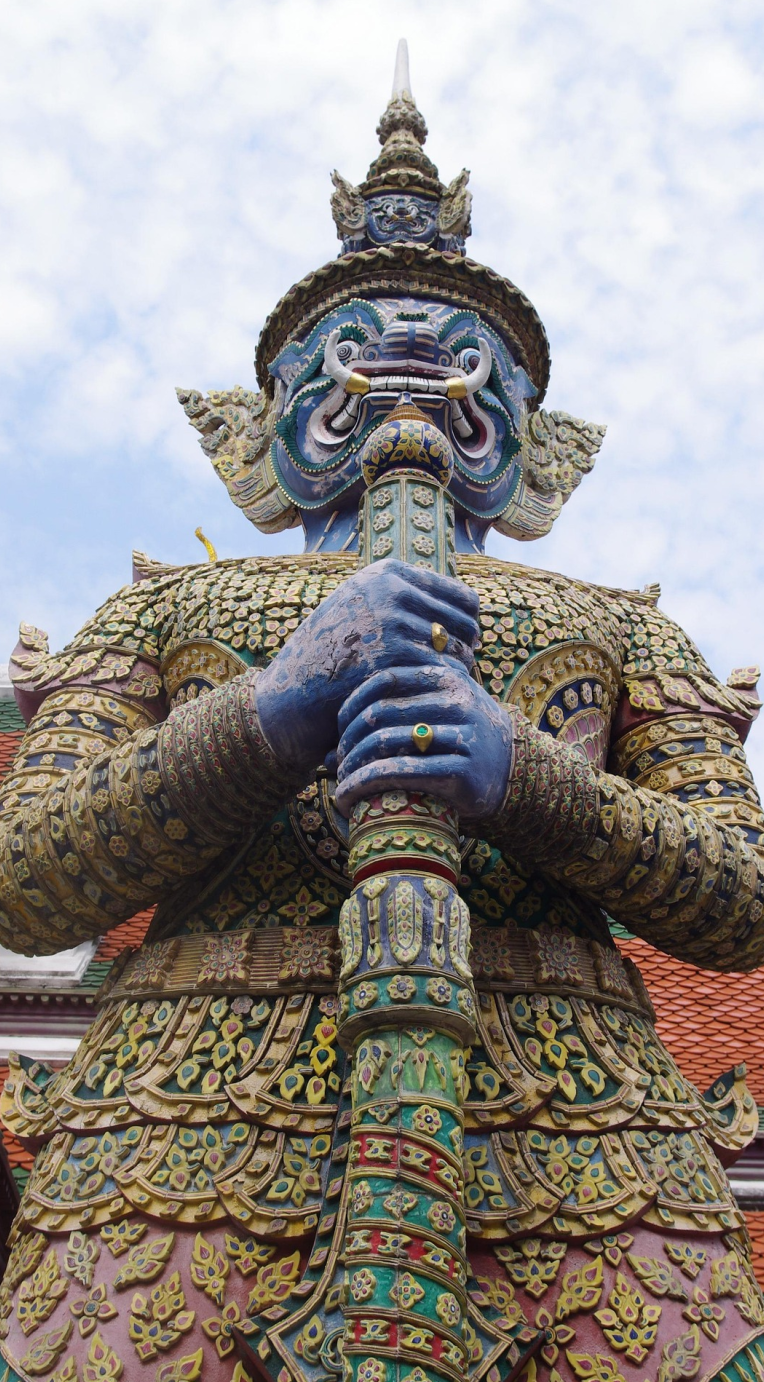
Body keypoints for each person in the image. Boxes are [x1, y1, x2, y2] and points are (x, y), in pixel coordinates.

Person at [1, 46, 763, 1382]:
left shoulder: (620, 626)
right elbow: (24, 878)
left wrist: (525, 772)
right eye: (348, 344)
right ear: (264, 424)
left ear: (534, 443)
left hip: (578, 1130)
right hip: (181, 1118)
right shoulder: (172, 612)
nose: (409, 355)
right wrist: (271, 711)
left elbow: (741, 896)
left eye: (467, 352)